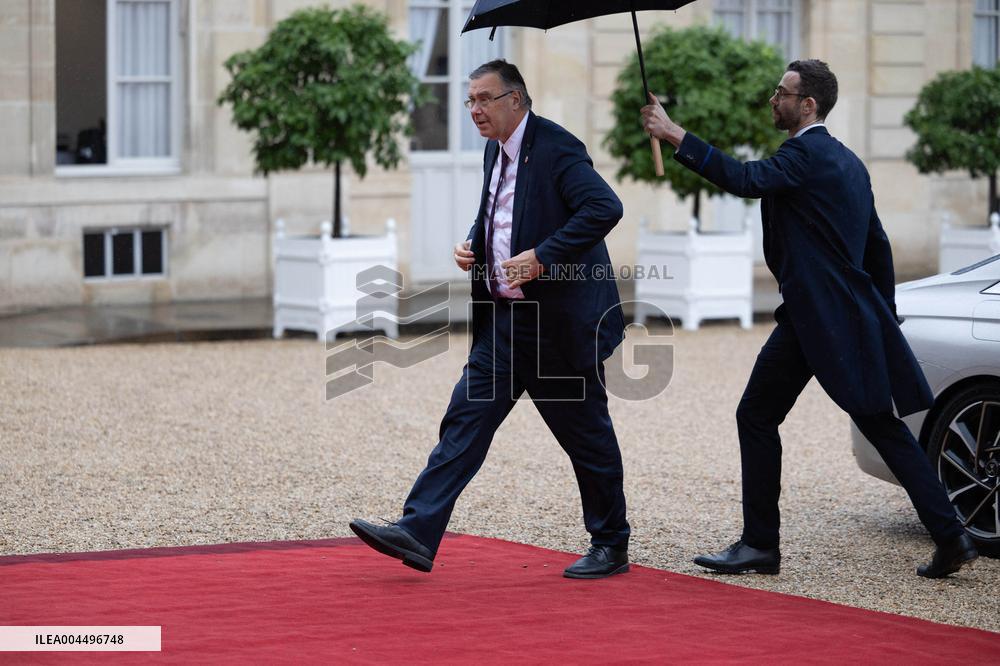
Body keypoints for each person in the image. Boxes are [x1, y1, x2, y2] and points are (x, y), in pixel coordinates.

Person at [640, 59, 977, 578]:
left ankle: (759, 545)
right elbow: (877, 247)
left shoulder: (804, 154)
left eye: (783, 93)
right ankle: (950, 535)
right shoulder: (849, 163)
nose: (774, 100)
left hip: (815, 318)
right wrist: (879, 315)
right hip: (837, 315)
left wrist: (674, 133)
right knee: (871, 424)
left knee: (759, 415)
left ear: (808, 104)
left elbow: (746, 179)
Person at [351, 60, 631, 579]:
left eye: (484, 99)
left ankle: (611, 543)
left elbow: (603, 208)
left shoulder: (557, 148)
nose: (474, 110)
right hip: (506, 323)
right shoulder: (494, 149)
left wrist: (543, 255)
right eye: (470, 100)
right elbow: (500, 211)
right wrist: (474, 241)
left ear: (515, 100)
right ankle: (417, 530)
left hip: (558, 326)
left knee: (585, 437)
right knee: (464, 421)